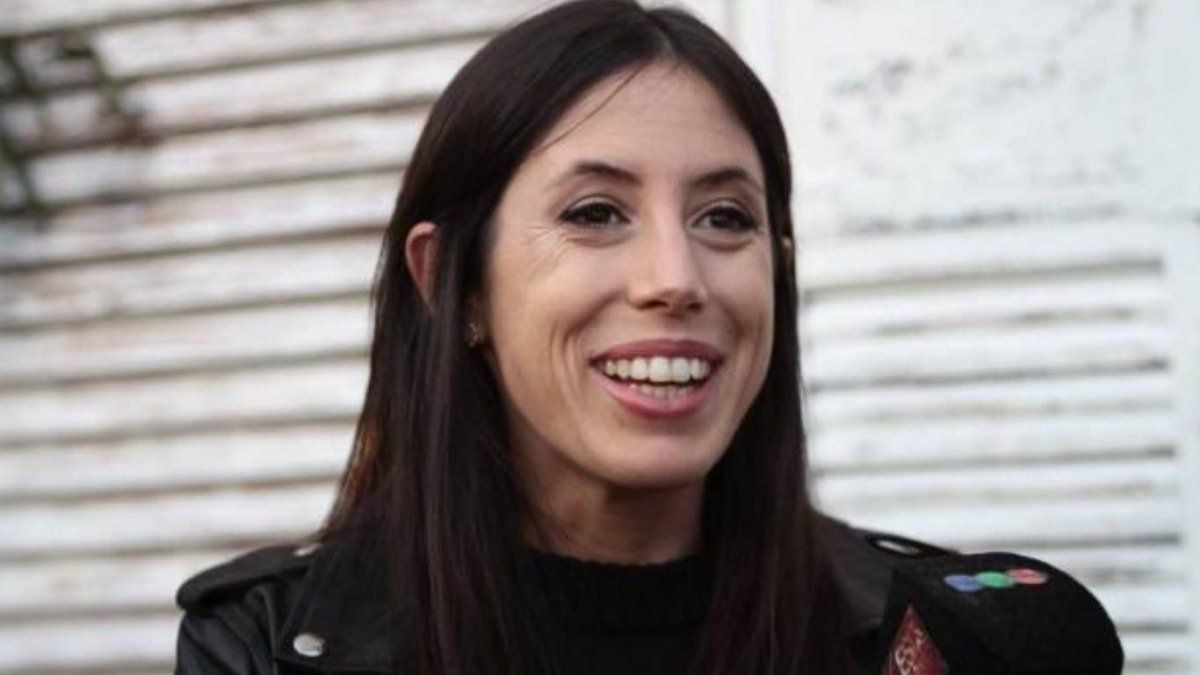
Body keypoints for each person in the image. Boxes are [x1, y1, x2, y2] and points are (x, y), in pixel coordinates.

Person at [173, 2, 1122, 674]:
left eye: (724, 218)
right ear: (454, 285)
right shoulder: (271, 645)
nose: (675, 276)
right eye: (595, 212)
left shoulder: (926, 641)